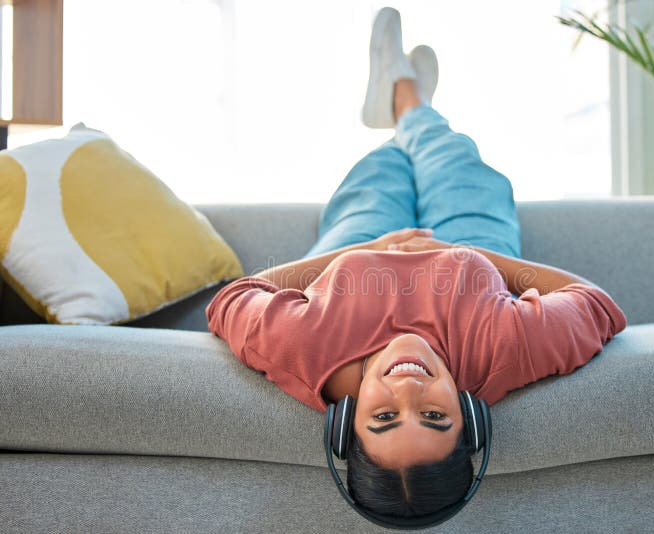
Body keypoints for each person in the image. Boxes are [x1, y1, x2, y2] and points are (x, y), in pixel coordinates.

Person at [206, 6, 627, 523]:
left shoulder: (304, 348)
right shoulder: (504, 351)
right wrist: (470, 257)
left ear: (347, 421)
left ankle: (401, 104)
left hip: (354, 252)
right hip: (470, 249)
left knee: (378, 174)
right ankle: (409, 102)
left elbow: (229, 299)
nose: (407, 388)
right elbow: (600, 307)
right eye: (433, 415)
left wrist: (358, 252)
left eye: (384, 416)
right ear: (470, 414)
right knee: (460, 162)